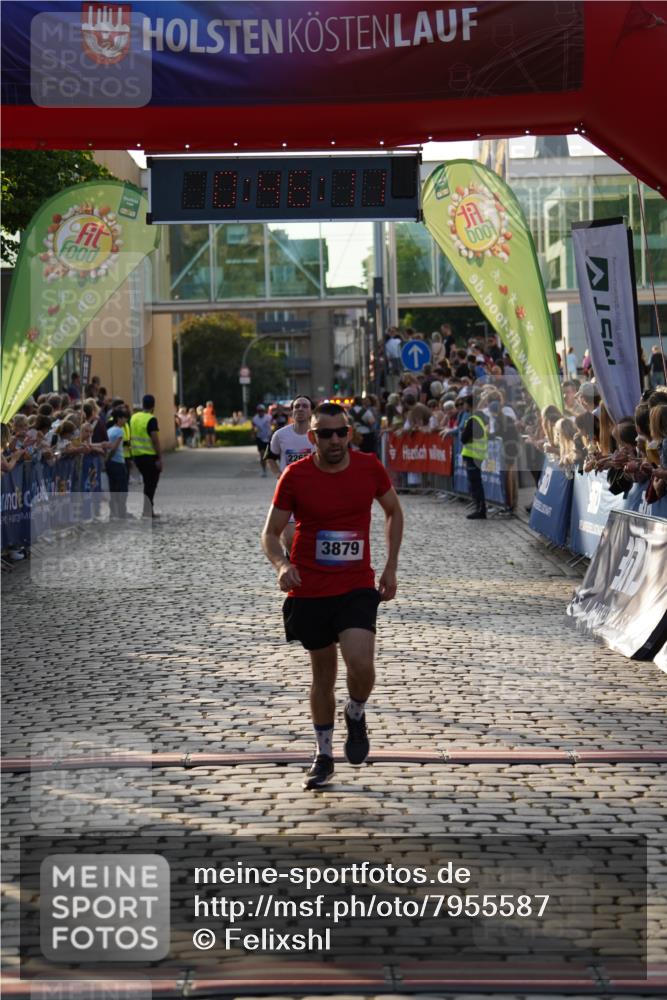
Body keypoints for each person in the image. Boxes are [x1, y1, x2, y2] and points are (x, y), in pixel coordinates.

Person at [260, 402, 404, 790]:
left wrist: (390, 566)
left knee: (361, 663)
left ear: (350, 433)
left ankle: (355, 713)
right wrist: (282, 566)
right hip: (311, 588)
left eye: (342, 432)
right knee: (322, 675)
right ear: (313, 437)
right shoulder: (295, 475)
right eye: (327, 434)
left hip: (356, 585)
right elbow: (270, 534)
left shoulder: (369, 467)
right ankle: (323, 755)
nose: (335, 439)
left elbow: (393, 510)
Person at [266, 396, 317, 554]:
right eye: (297, 406)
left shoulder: (318, 436)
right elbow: (270, 457)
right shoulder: (280, 435)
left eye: (304, 406)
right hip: (288, 492)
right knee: (288, 539)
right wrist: (278, 475)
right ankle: (292, 563)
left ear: (311, 412)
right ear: (292, 412)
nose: (300, 409)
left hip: (313, 491)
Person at [130, 394, 162, 518]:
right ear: (153, 406)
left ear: (142, 404)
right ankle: (148, 510)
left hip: (136, 455)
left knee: (148, 482)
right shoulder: (151, 419)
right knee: (151, 483)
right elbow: (155, 440)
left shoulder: (133, 417)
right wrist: (160, 457)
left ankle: (147, 509)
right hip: (149, 456)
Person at [460, 393, 489, 519]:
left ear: (469, 404)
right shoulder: (479, 417)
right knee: (476, 484)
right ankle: (479, 507)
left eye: (465, 403)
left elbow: (464, 438)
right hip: (477, 455)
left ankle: (480, 509)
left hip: (473, 456)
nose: (463, 406)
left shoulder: (473, 420)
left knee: (475, 484)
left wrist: (464, 433)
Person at [106, 407, 129, 519]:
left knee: (113, 489)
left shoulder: (109, 430)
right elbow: (114, 448)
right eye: (124, 418)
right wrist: (109, 458)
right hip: (118, 462)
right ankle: (121, 512)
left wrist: (106, 460)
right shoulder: (119, 431)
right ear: (119, 419)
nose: (126, 421)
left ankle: (113, 513)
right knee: (122, 489)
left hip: (111, 464)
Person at [251, 403, 272, 477]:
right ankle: (264, 470)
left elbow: (274, 424)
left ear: (264, 411)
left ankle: (266, 466)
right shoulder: (255, 419)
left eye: (262, 410)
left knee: (266, 456)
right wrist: (253, 435)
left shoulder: (268, 417)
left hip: (268, 437)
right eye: (259, 411)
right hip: (259, 438)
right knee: (262, 454)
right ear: (257, 411)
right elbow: (253, 428)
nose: (261, 412)